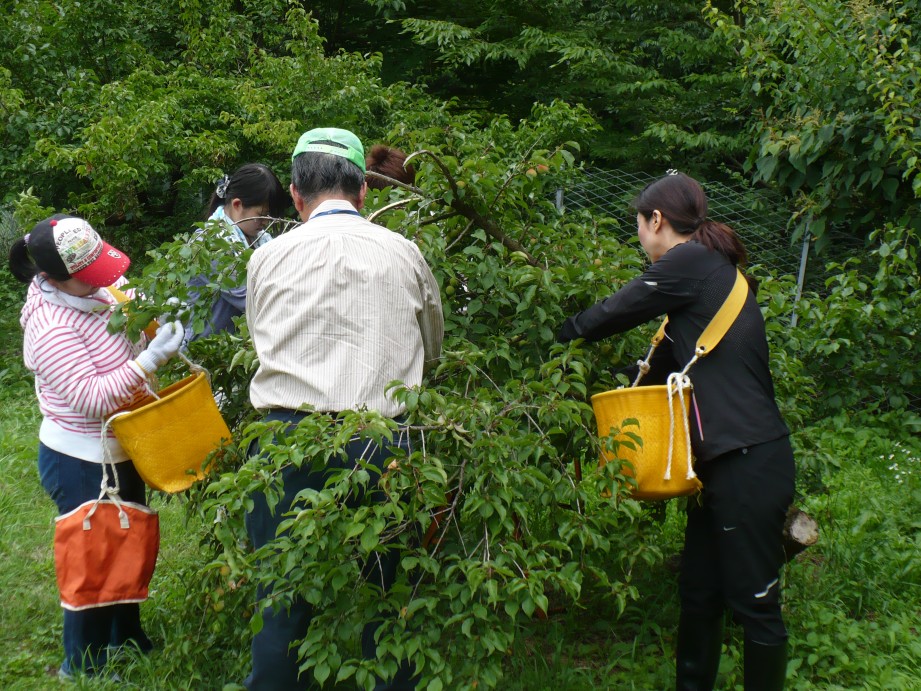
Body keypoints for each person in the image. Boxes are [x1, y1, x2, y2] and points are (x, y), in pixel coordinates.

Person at [557, 172, 794, 691]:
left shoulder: (687, 262)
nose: (639, 239)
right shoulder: (705, 281)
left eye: (638, 226)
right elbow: (653, 372)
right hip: (724, 464)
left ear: (656, 221)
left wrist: (560, 332)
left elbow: (612, 312)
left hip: (749, 460)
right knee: (700, 591)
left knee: (756, 603)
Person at [244, 127, 444, 690]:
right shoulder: (404, 253)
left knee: (280, 596)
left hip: (284, 441)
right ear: (363, 193)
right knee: (389, 594)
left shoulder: (268, 256)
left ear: (295, 193)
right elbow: (432, 346)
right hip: (382, 441)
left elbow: (262, 338)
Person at [8, 214, 184, 678]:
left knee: (129, 542)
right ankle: (83, 663)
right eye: (90, 280)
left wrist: (154, 312)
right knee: (93, 559)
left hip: (122, 443)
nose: (103, 284)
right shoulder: (50, 326)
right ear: (55, 277)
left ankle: (125, 636)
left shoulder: (93, 286)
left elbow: (123, 294)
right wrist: (149, 360)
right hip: (82, 457)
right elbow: (92, 398)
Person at [185, 163, 288, 341]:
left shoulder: (259, 239)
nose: (266, 221)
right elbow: (249, 299)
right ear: (237, 204)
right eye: (262, 214)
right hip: (205, 352)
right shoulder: (210, 243)